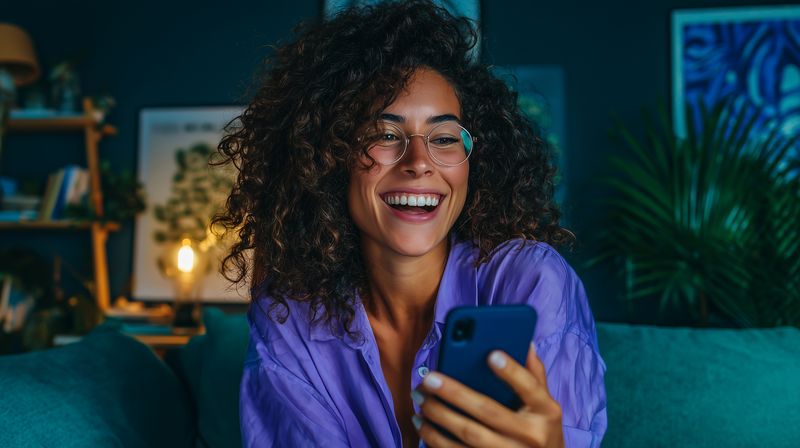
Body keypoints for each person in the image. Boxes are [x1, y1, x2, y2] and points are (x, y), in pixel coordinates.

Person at [214, 0, 607, 446]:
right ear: (328, 157)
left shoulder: (530, 282)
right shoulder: (290, 315)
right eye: (385, 135)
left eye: (443, 137)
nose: (419, 162)